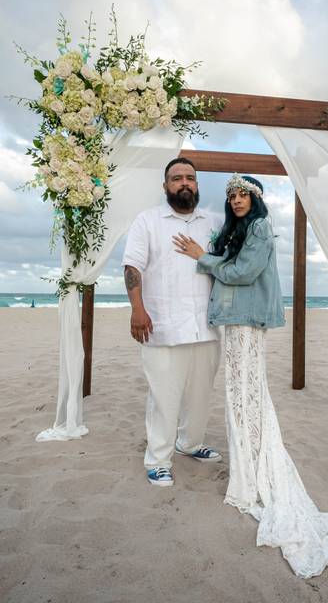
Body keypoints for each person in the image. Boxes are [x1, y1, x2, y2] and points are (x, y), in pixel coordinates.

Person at [173, 174, 328, 579]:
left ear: (256, 199)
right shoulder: (241, 229)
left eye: (242, 195)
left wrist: (202, 255)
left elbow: (243, 273)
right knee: (239, 393)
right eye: (231, 195)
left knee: (247, 392)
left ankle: (254, 470)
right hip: (233, 320)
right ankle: (248, 463)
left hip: (246, 322)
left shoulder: (262, 228)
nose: (235, 200)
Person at [121, 157, 223, 488]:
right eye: (177, 178)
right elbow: (132, 267)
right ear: (165, 186)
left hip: (206, 326)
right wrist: (137, 309)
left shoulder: (212, 222)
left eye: (190, 178)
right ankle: (158, 459)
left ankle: (190, 443)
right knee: (164, 397)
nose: (184, 183)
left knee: (199, 395)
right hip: (162, 326)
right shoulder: (147, 221)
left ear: (197, 185)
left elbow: (225, 266)